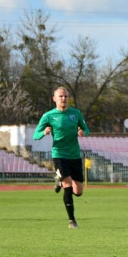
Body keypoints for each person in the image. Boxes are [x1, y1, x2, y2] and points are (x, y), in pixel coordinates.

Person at [33, 86, 90, 228]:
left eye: (66, 96)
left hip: (74, 155)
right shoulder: (48, 116)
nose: (64, 98)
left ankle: (59, 181)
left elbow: (86, 129)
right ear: (54, 99)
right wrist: (44, 132)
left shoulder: (76, 113)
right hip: (59, 154)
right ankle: (72, 221)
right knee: (68, 185)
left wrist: (83, 132)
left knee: (78, 192)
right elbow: (35, 135)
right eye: (61, 96)